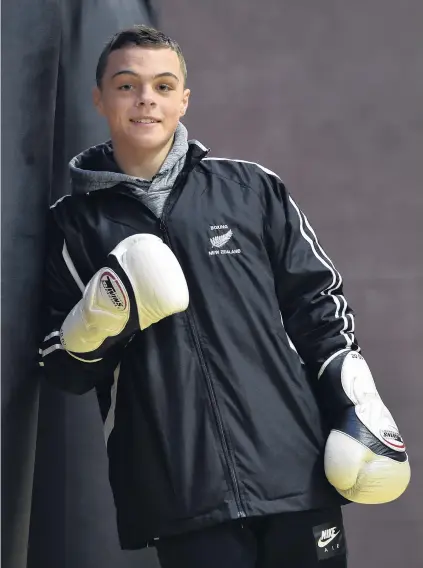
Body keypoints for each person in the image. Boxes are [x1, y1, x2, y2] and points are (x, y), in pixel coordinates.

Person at [39, 25, 411, 568]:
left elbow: (320, 308)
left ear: (183, 100)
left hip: (293, 472)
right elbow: (60, 367)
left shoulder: (250, 189)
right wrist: (100, 315)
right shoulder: (72, 226)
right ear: (98, 98)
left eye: (163, 86)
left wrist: (357, 405)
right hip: (181, 490)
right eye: (127, 85)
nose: (146, 99)